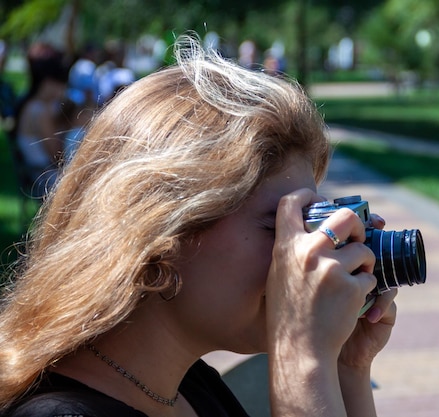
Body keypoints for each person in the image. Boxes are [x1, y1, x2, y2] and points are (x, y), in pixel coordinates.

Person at [0, 35, 397, 417]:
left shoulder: (185, 385)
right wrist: (300, 355)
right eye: (279, 226)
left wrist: (347, 366)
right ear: (163, 236)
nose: (305, 251)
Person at [12, 43, 69, 199]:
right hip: (45, 180)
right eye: (61, 84)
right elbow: (57, 156)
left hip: (38, 176)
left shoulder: (29, 105)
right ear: (48, 83)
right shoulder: (40, 111)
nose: (63, 90)